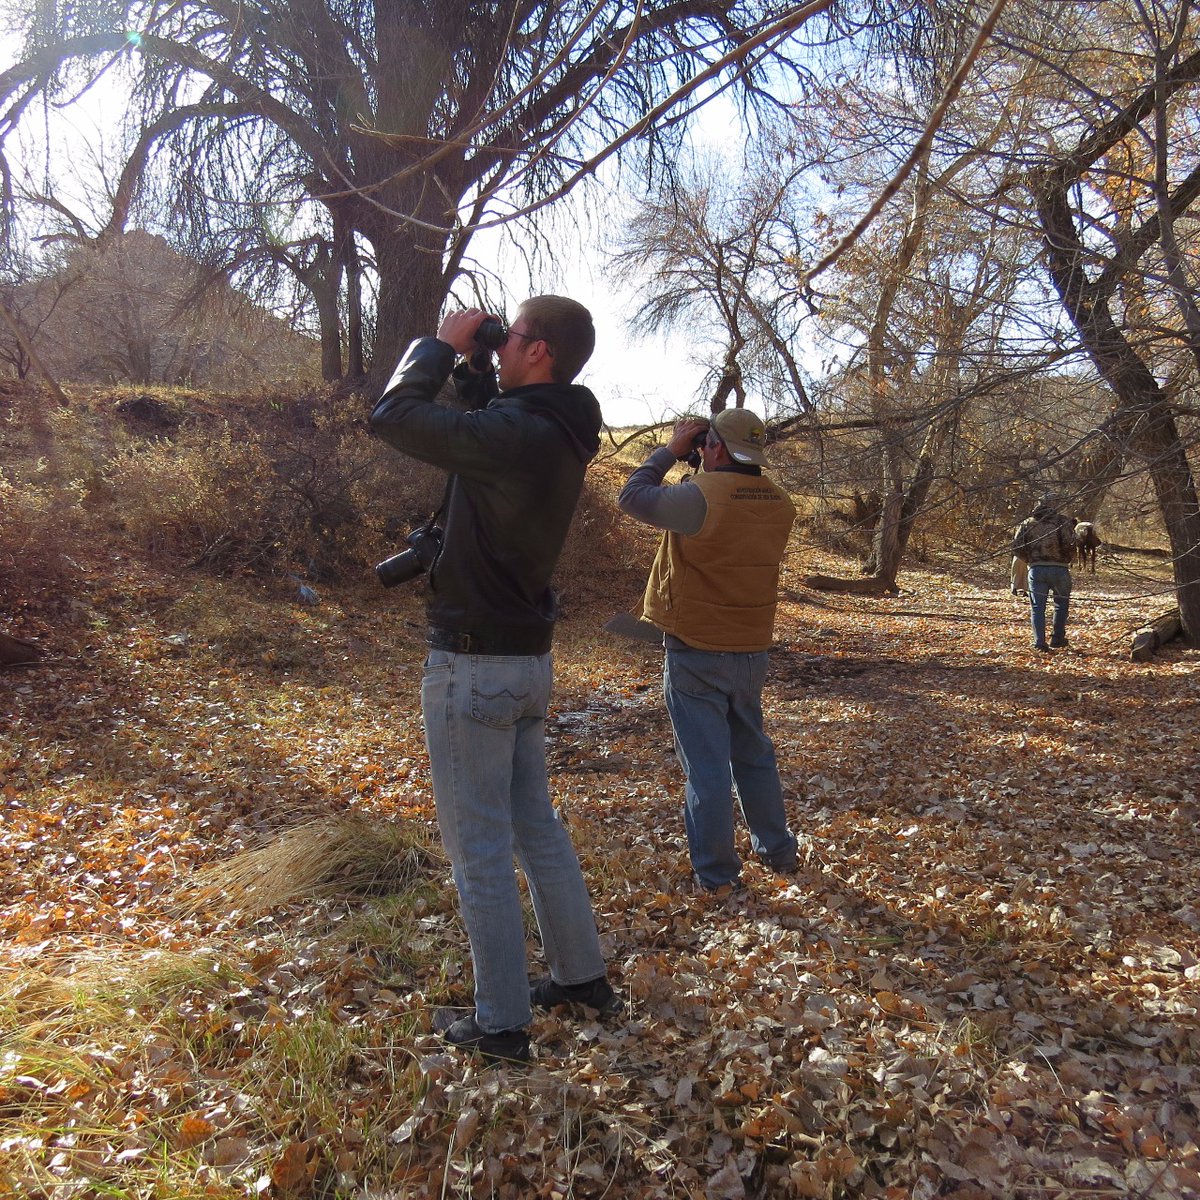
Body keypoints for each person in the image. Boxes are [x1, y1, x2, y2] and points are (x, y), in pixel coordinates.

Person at [369, 298, 617, 1064]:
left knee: (478, 848)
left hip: (473, 665)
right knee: (535, 830)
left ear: (537, 350)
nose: (499, 346)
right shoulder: (554, 430)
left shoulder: (518, 433)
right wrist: (480, 367)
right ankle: (582, 981)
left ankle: (502, 1025)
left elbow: (395, 417)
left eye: (508, 337)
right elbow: (488, 421)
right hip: (526, 662)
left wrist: (435, 347)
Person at [618, 410, 799, 893]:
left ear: (714, 446)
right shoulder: (782, 504)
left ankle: (718, 874)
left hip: (697, 648)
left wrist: (672, 451)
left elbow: (632, 496)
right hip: (752, 647)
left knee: (707, 767)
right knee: (753, 755)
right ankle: (779, 851)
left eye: (705, 444)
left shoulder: (702, 497)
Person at [1012, 493, 1076, 651]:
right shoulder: (1063, 522)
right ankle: (1057, 638)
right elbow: (1071, 543)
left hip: (1036, 569)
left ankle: (1039, 642)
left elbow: (1016, 547)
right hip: (1060, 569)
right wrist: (1066, 558)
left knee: (1037, 607)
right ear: (1055, 504)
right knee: (1061, 604)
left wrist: (1030, 560)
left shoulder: (1027, 523)